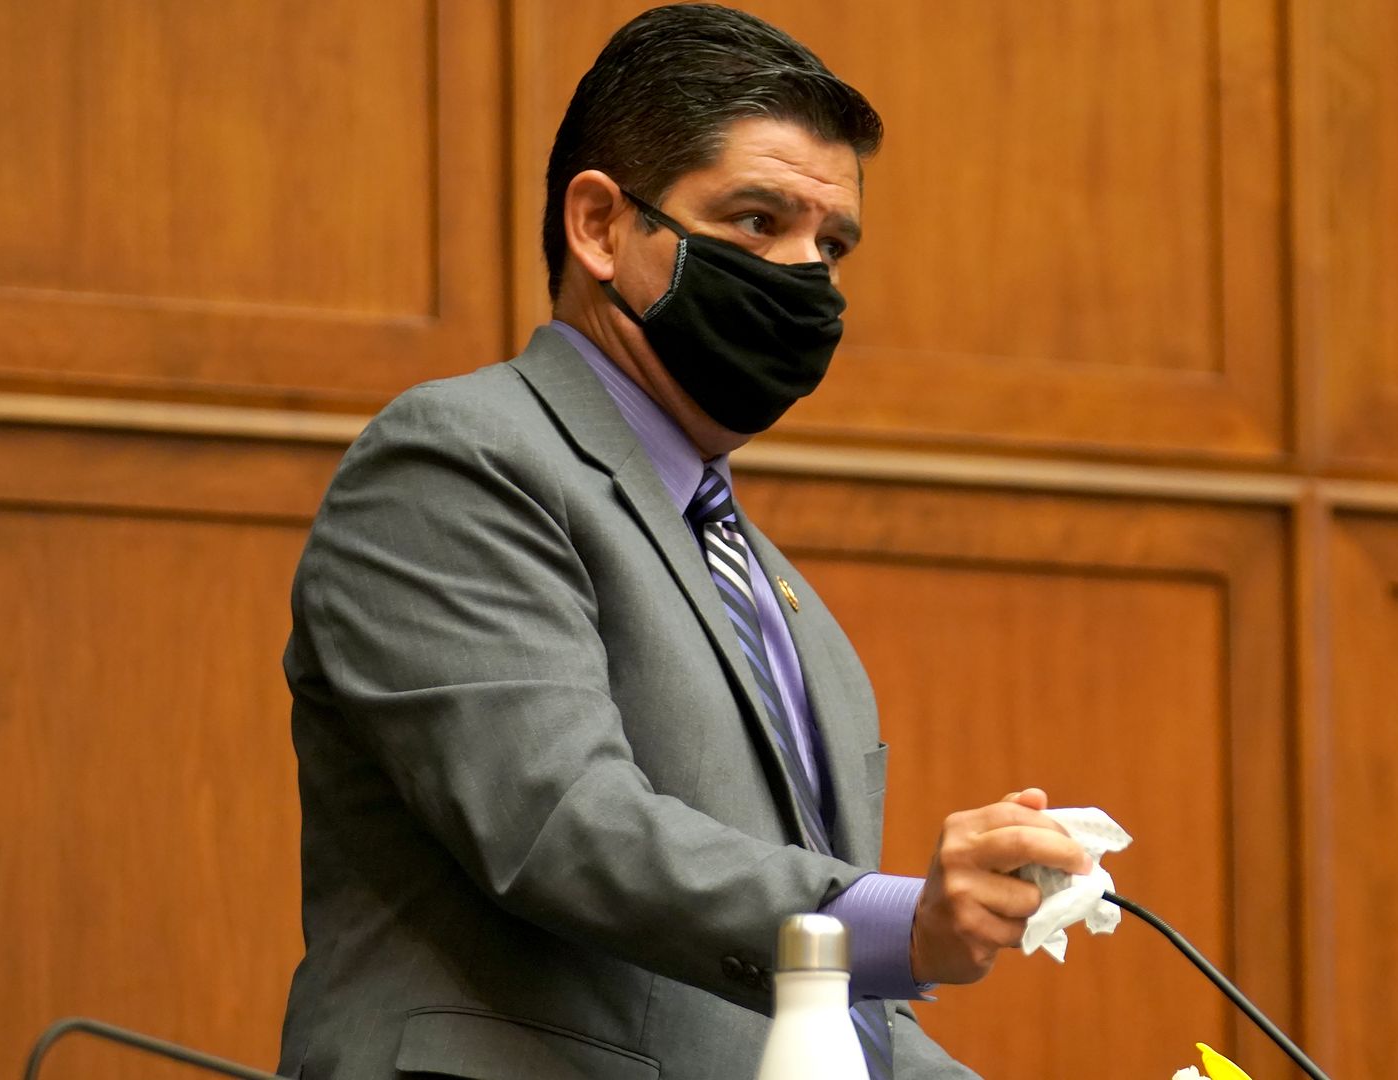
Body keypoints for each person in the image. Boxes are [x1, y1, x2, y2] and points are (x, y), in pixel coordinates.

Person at [276, 6, 1090, 1078]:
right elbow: (561, 824)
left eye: (831, 245)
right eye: (758, 221)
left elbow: (819, 1007)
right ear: (601, 226)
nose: (805, 275)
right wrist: (899, 921)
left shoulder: (798, 620)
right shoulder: (460, 460)